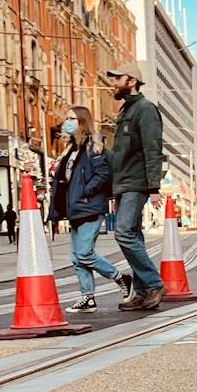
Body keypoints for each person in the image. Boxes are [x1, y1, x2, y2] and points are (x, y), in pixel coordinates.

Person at [50, 110, 125, 312]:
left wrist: (85, 192)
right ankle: (88, 297)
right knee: (77, 257)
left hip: (89, 206)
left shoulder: (93, 146)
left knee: (84, 254)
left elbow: (102, 173)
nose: (66, 122)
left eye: (71, 119)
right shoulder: (70, 149)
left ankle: (120, 277)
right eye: (65, 118)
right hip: (75, 208)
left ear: (82, 121)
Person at [106, 63, 165, 310]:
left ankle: (153, 284)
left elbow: (153, 150)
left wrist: (153, 188)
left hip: (136, 183)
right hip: (123, 183)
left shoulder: (145, 109)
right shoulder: (125, 111)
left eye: (118, 78)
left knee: (123, 232)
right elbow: (121, 154)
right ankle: (142, 292)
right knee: (134, 236)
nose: (114, 83)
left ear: (132, 81)